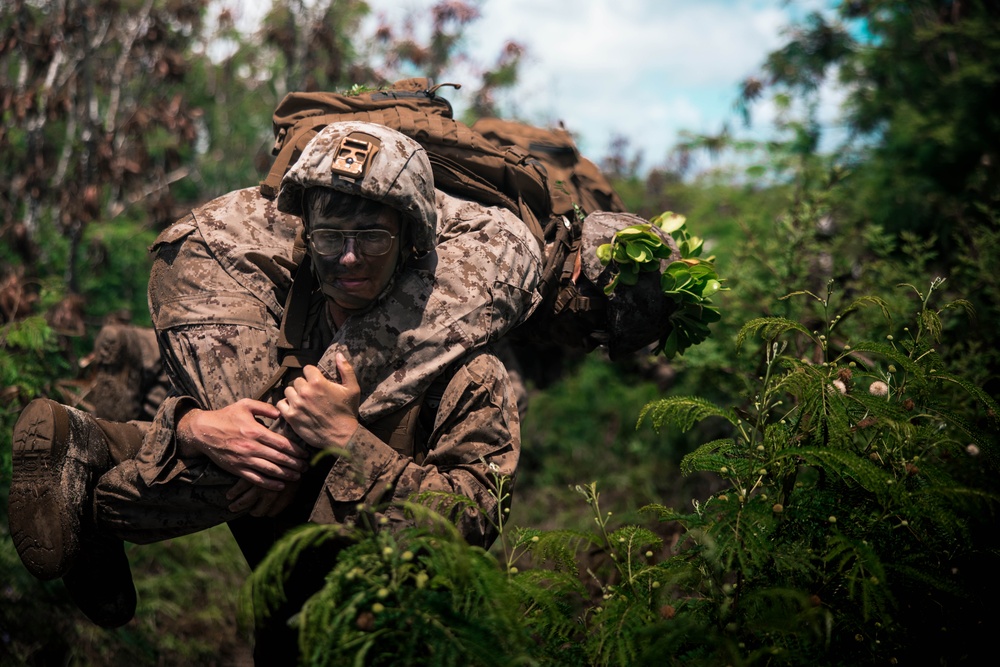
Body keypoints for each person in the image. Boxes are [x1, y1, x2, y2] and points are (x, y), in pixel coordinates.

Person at [9, 121, 540, 659]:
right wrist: (195, 428)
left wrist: (347, 440)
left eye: (373, 238)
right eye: (331, 237)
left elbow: (475, 519)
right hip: (288, 633)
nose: (349, 257)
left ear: (410, 244)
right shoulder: (273, 334)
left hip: (403, 635)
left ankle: (94, 485)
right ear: (306, 240)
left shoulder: (470, 373)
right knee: (249, 452)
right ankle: (90, 488)